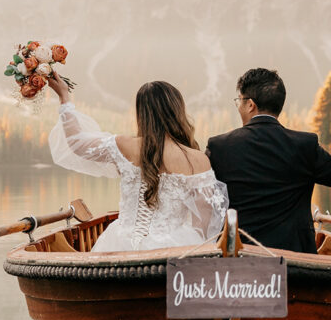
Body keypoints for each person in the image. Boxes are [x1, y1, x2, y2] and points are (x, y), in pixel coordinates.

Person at [206, 68, 331, 254]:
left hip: (240, 258)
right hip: (296, 262)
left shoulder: (219, 147)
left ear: (250, 104)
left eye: (239, 101)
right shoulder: (304, 145)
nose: (238, 106)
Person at [47, 71, 228, 252]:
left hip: (120, 243)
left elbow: (76, 143)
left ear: (142, 113)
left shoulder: (124, 146)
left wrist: (65, 97)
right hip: (175, 247)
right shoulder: (197, 160)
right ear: (177, 110)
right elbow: (205, 222)